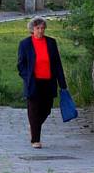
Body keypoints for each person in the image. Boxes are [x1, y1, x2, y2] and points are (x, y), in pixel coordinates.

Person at [17, 16, 68, 149]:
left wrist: (62, 83)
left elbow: (57, 64)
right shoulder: (25, 44)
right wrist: (27, 77)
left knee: (46, 109)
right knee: (33, 110)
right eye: (37, 28)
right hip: (33, 82)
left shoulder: (51, 42)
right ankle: (35, 140)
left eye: (42, 28)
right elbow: (21, 65)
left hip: (48, 81)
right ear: (32, 29)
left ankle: (34, 125)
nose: (40, 31)